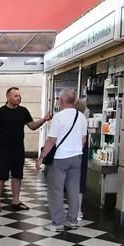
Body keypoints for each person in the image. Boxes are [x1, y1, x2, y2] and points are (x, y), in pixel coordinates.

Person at [0, 87, 51, 213]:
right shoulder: (0, 112)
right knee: (0, 176)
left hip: (19, 149)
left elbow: (32, 126)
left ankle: (16, 200)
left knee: (17, 176)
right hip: (4, 149)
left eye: (19, 96)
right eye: (16, 96)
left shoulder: (23, 111)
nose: (19, 98)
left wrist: (44, 119)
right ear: (8, 97)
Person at [36, 90, 87, 231]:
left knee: (56, 190)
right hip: (77, 157)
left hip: (60, 158)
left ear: (61, 101)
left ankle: (57, 223)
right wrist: (75, 149)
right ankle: (72, 220)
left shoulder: (59, 117)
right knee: (74, 189)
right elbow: (83, 140)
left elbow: (51, 141)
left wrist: (41, 158)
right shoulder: (81, 116)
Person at [74, 99, 89, 221]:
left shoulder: (69, 119)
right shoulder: (83, 120)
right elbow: (84, 140)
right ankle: (78, 211)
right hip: (81, 154)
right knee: (80, 183)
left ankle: (73, 210)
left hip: (69, 155)